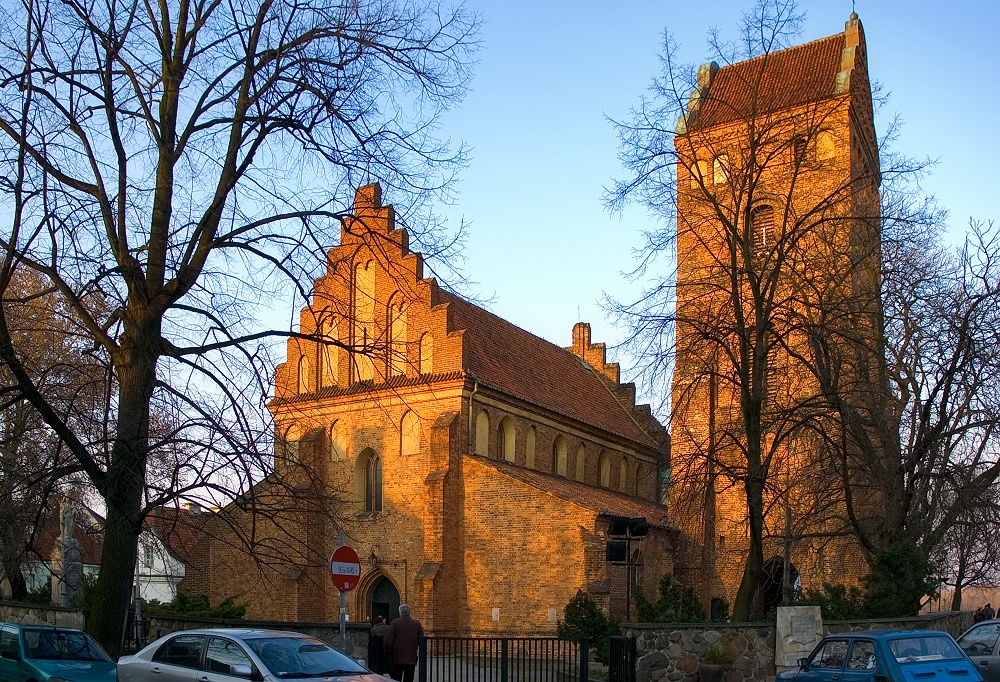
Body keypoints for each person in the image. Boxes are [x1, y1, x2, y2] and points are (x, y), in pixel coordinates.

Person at [385, 604, 424, 682]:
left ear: (400, 612)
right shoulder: (417, 623)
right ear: (409, 612)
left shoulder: (395, 623)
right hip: (411, 656)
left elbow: (389, 639)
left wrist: (389, 650)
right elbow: (421, 640)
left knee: (396, 678)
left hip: (397, 656)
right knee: (409, 678)